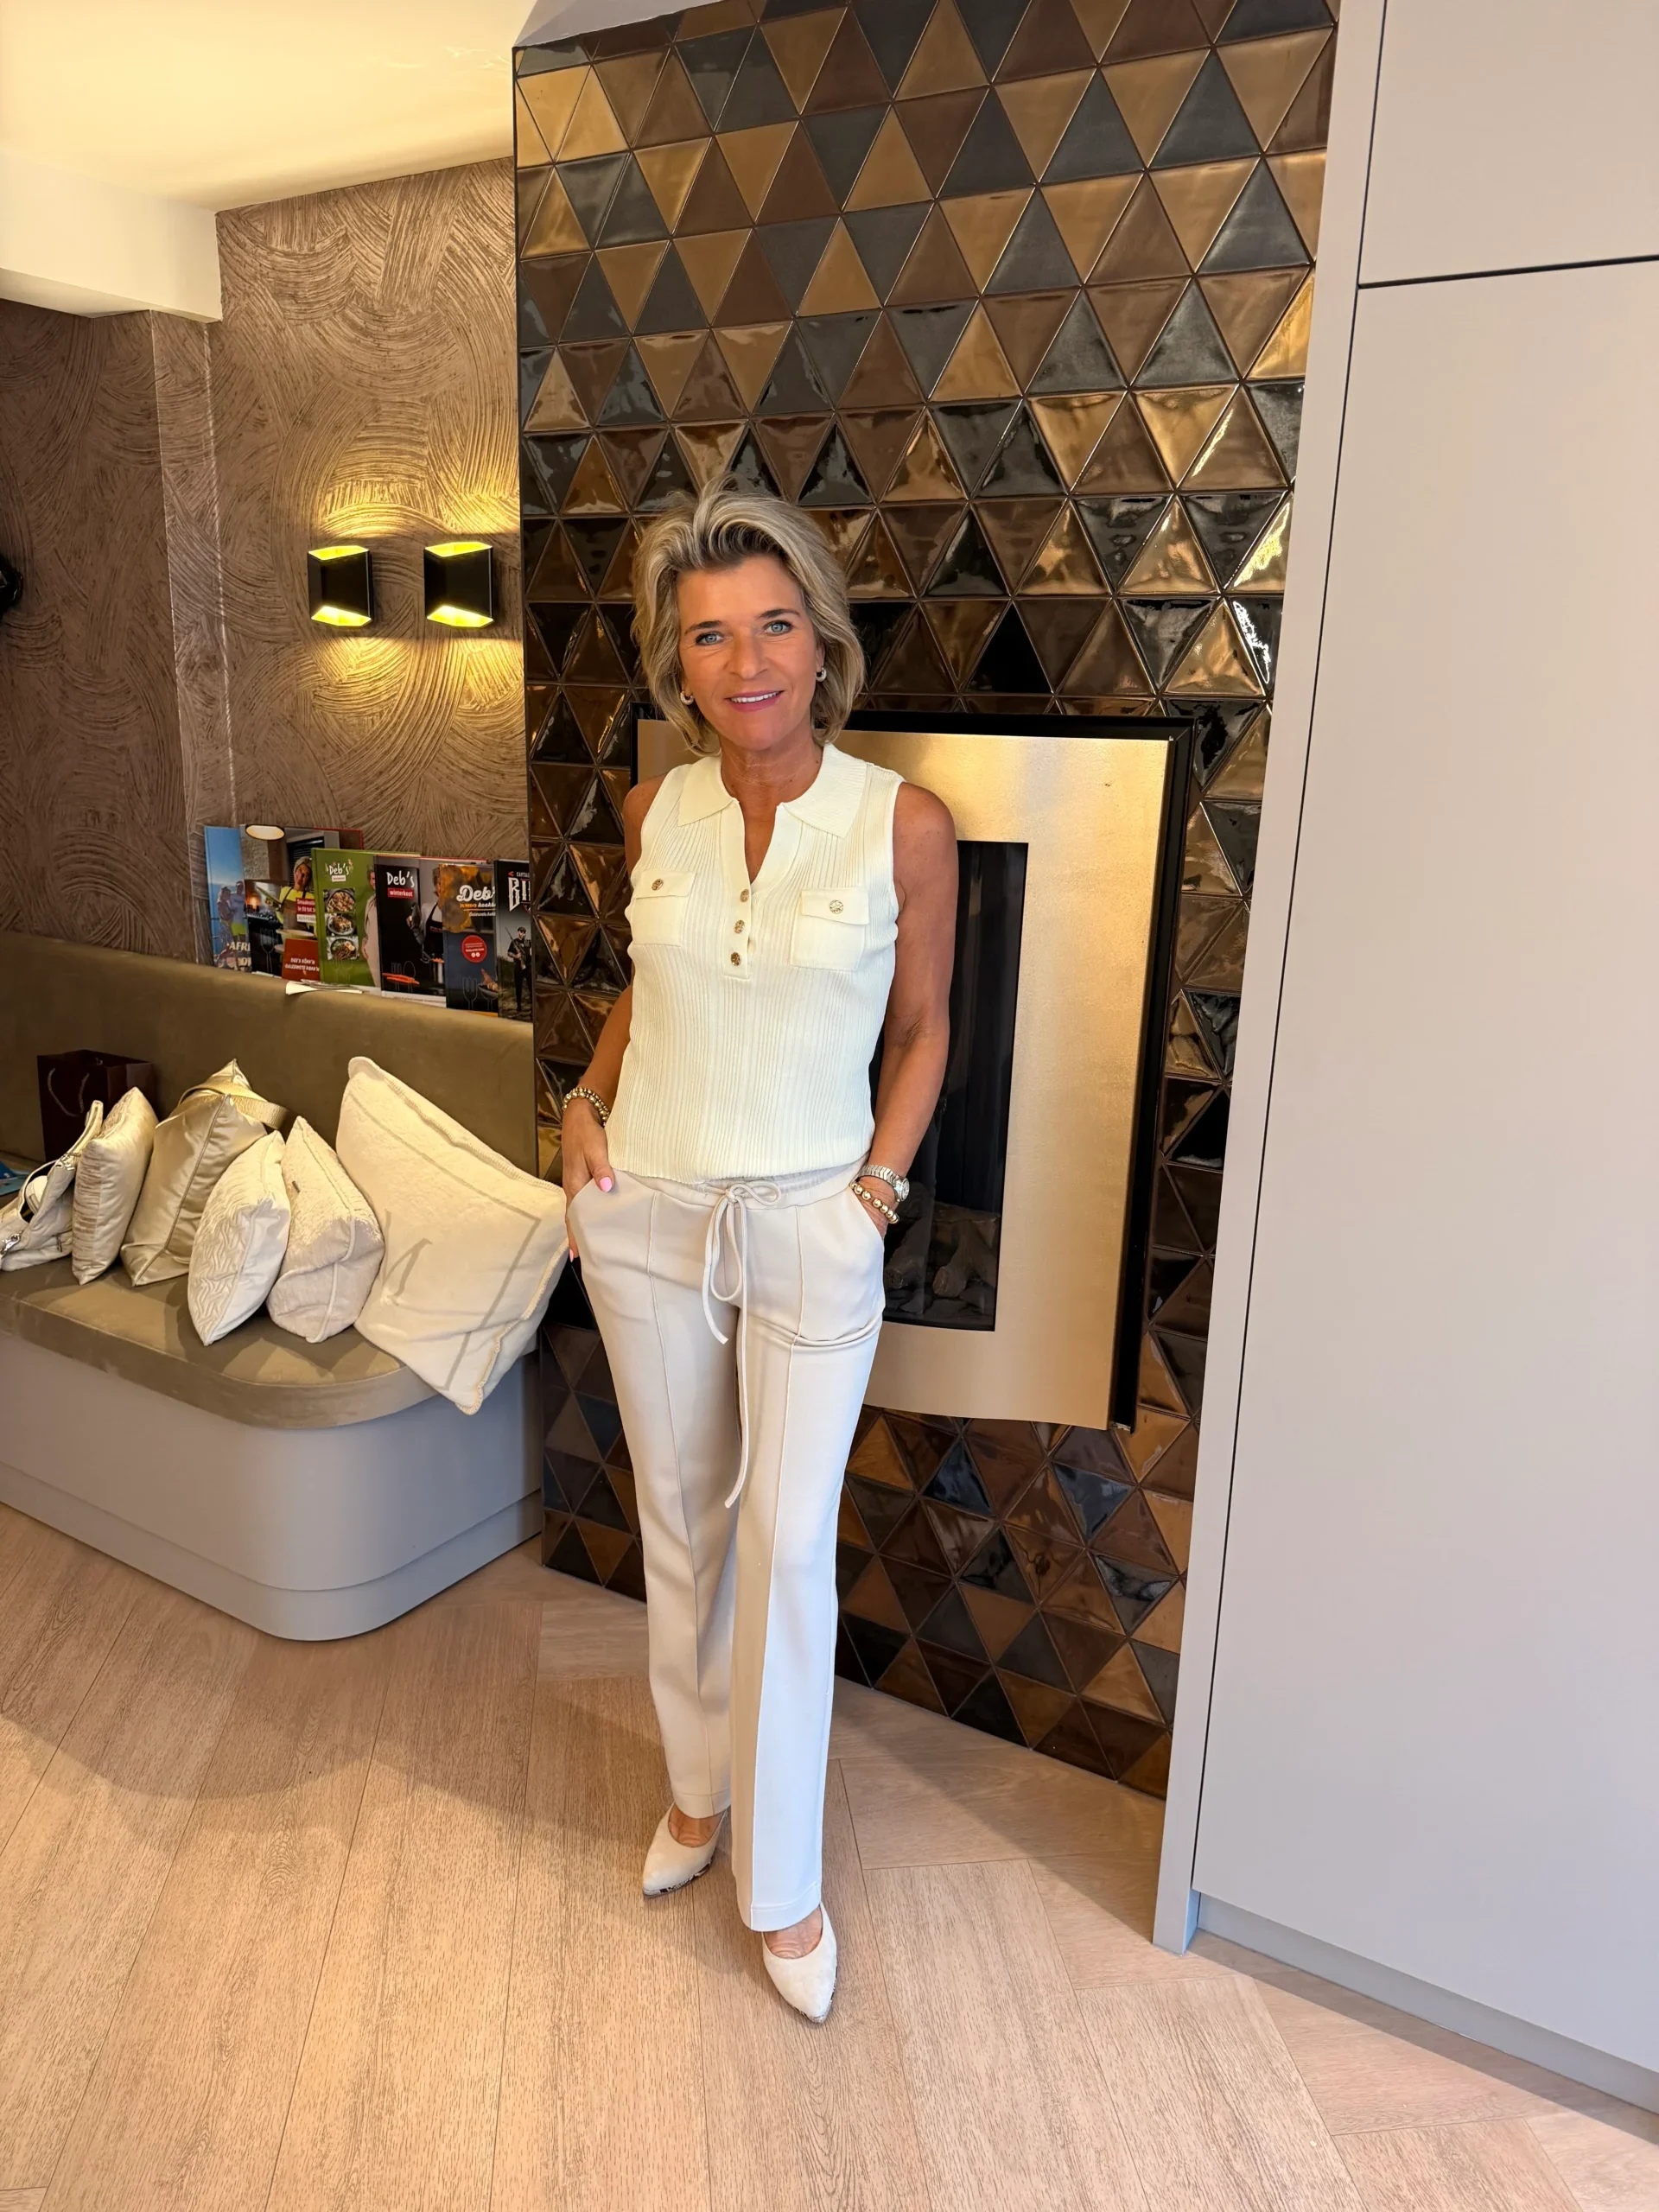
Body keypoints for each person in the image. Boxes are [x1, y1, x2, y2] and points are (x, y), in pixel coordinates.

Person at [560, 477, 957, 2022]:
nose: (746, 662)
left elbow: (922, 1030)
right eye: (711, 634)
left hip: (810, 1224)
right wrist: (583, 1105)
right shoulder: (656, 811)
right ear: (681, 658)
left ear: (821, 641)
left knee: (786, 1548)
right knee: (680, 1525)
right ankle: (698, 1791)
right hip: (648, 1211)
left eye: (774, 624)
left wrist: (872, 1195)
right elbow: (649, 987)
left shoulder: (899, 822)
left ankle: (781, 1884)